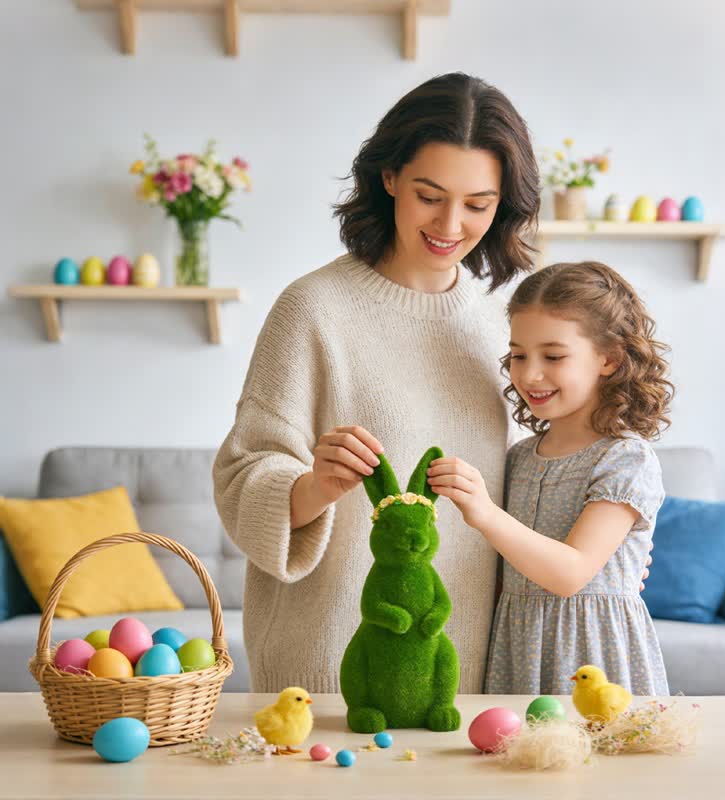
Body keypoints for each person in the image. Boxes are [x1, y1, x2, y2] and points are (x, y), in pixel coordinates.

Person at [212, 72, 542, 693]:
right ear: (388, 178)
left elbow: (540, 465)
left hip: (460, 670)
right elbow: (241, 477)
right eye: (429, 194)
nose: (451, 223)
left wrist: (604, 551)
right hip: (327, 668)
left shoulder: (502, 326)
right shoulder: (312, 309)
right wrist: (314, 486)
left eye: (478, 204)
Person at [427, 261, 673, 695]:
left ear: (609, 359)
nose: (529, 374)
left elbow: (570, 573)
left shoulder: (625, 458)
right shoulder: (520, 456)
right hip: (517, 646)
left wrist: (483, 512)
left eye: (553, 356)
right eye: (519, 355)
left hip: (593, 655)